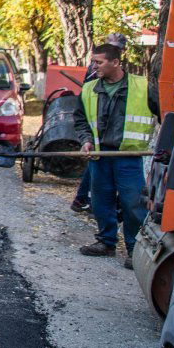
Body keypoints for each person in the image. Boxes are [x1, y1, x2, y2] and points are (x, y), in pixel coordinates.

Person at [75, 42, 159, 269]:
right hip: (100, 156)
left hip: (129, 157)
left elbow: (164, 114)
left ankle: (134, 250)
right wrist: (86, 140)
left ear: (115, 62)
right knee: (101, 201)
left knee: (132, 203)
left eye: (99, 62)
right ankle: (106, 242)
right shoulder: (89, 89)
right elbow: (80, 120)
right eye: (94, 61)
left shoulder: (142, 87)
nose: (94, 65)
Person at [70, 33, 129, 214]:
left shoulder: (126, 77)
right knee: (95, 165)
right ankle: (82, 199)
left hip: (116, 137)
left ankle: (83, 199)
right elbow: (88, 99)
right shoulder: (97, 69)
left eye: (118, 49)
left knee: (96, 167)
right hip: (97, 127)